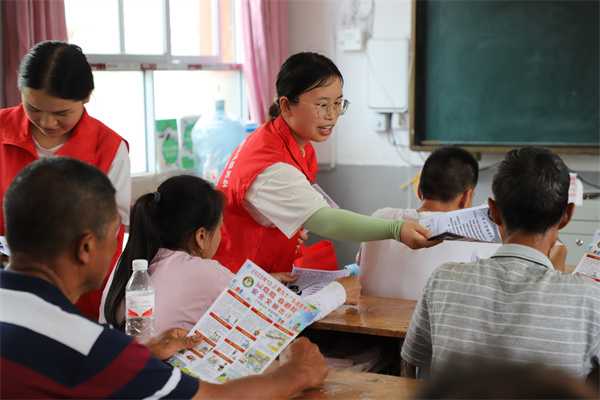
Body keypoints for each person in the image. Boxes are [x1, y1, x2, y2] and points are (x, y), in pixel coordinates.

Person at [0, 156, 328, 399]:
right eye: (113, 234)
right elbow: (215, 398)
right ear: (86, 247)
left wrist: (143, 352)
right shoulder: (87, 347)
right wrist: (297, 372)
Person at [215, 52, 440, 274]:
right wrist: (396, 229)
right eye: (322, 105)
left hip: (257, 270)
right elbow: (327, 221)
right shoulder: (273, 167)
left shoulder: (287, 141)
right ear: (286, 106)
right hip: (235, 278)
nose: (332, 115)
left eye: (338, 103)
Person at [401, 146, 600, 381]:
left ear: (493, 212)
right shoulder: (591, 300)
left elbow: (413, 366)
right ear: (567, 216)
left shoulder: (442, 280)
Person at [100, 174, 361, 333]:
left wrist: (261, 282)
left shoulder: (130, 262)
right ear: (201, 237)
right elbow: (286, 319)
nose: (222, 233)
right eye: (220, 226)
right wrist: (339, 291)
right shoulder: (201, 271)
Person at [0, 40, 131, 320]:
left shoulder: (108, 148)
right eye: (33, 108)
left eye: (61, 113)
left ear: (87, 97)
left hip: (76, 294)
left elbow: (111, 227)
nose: (47, 122)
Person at [356, 146, 502, 300]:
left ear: (419, 191)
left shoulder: (379, 217)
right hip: (426, 316)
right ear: (465, 198)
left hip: (365, 314)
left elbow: (360, 264)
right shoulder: (477, 238)